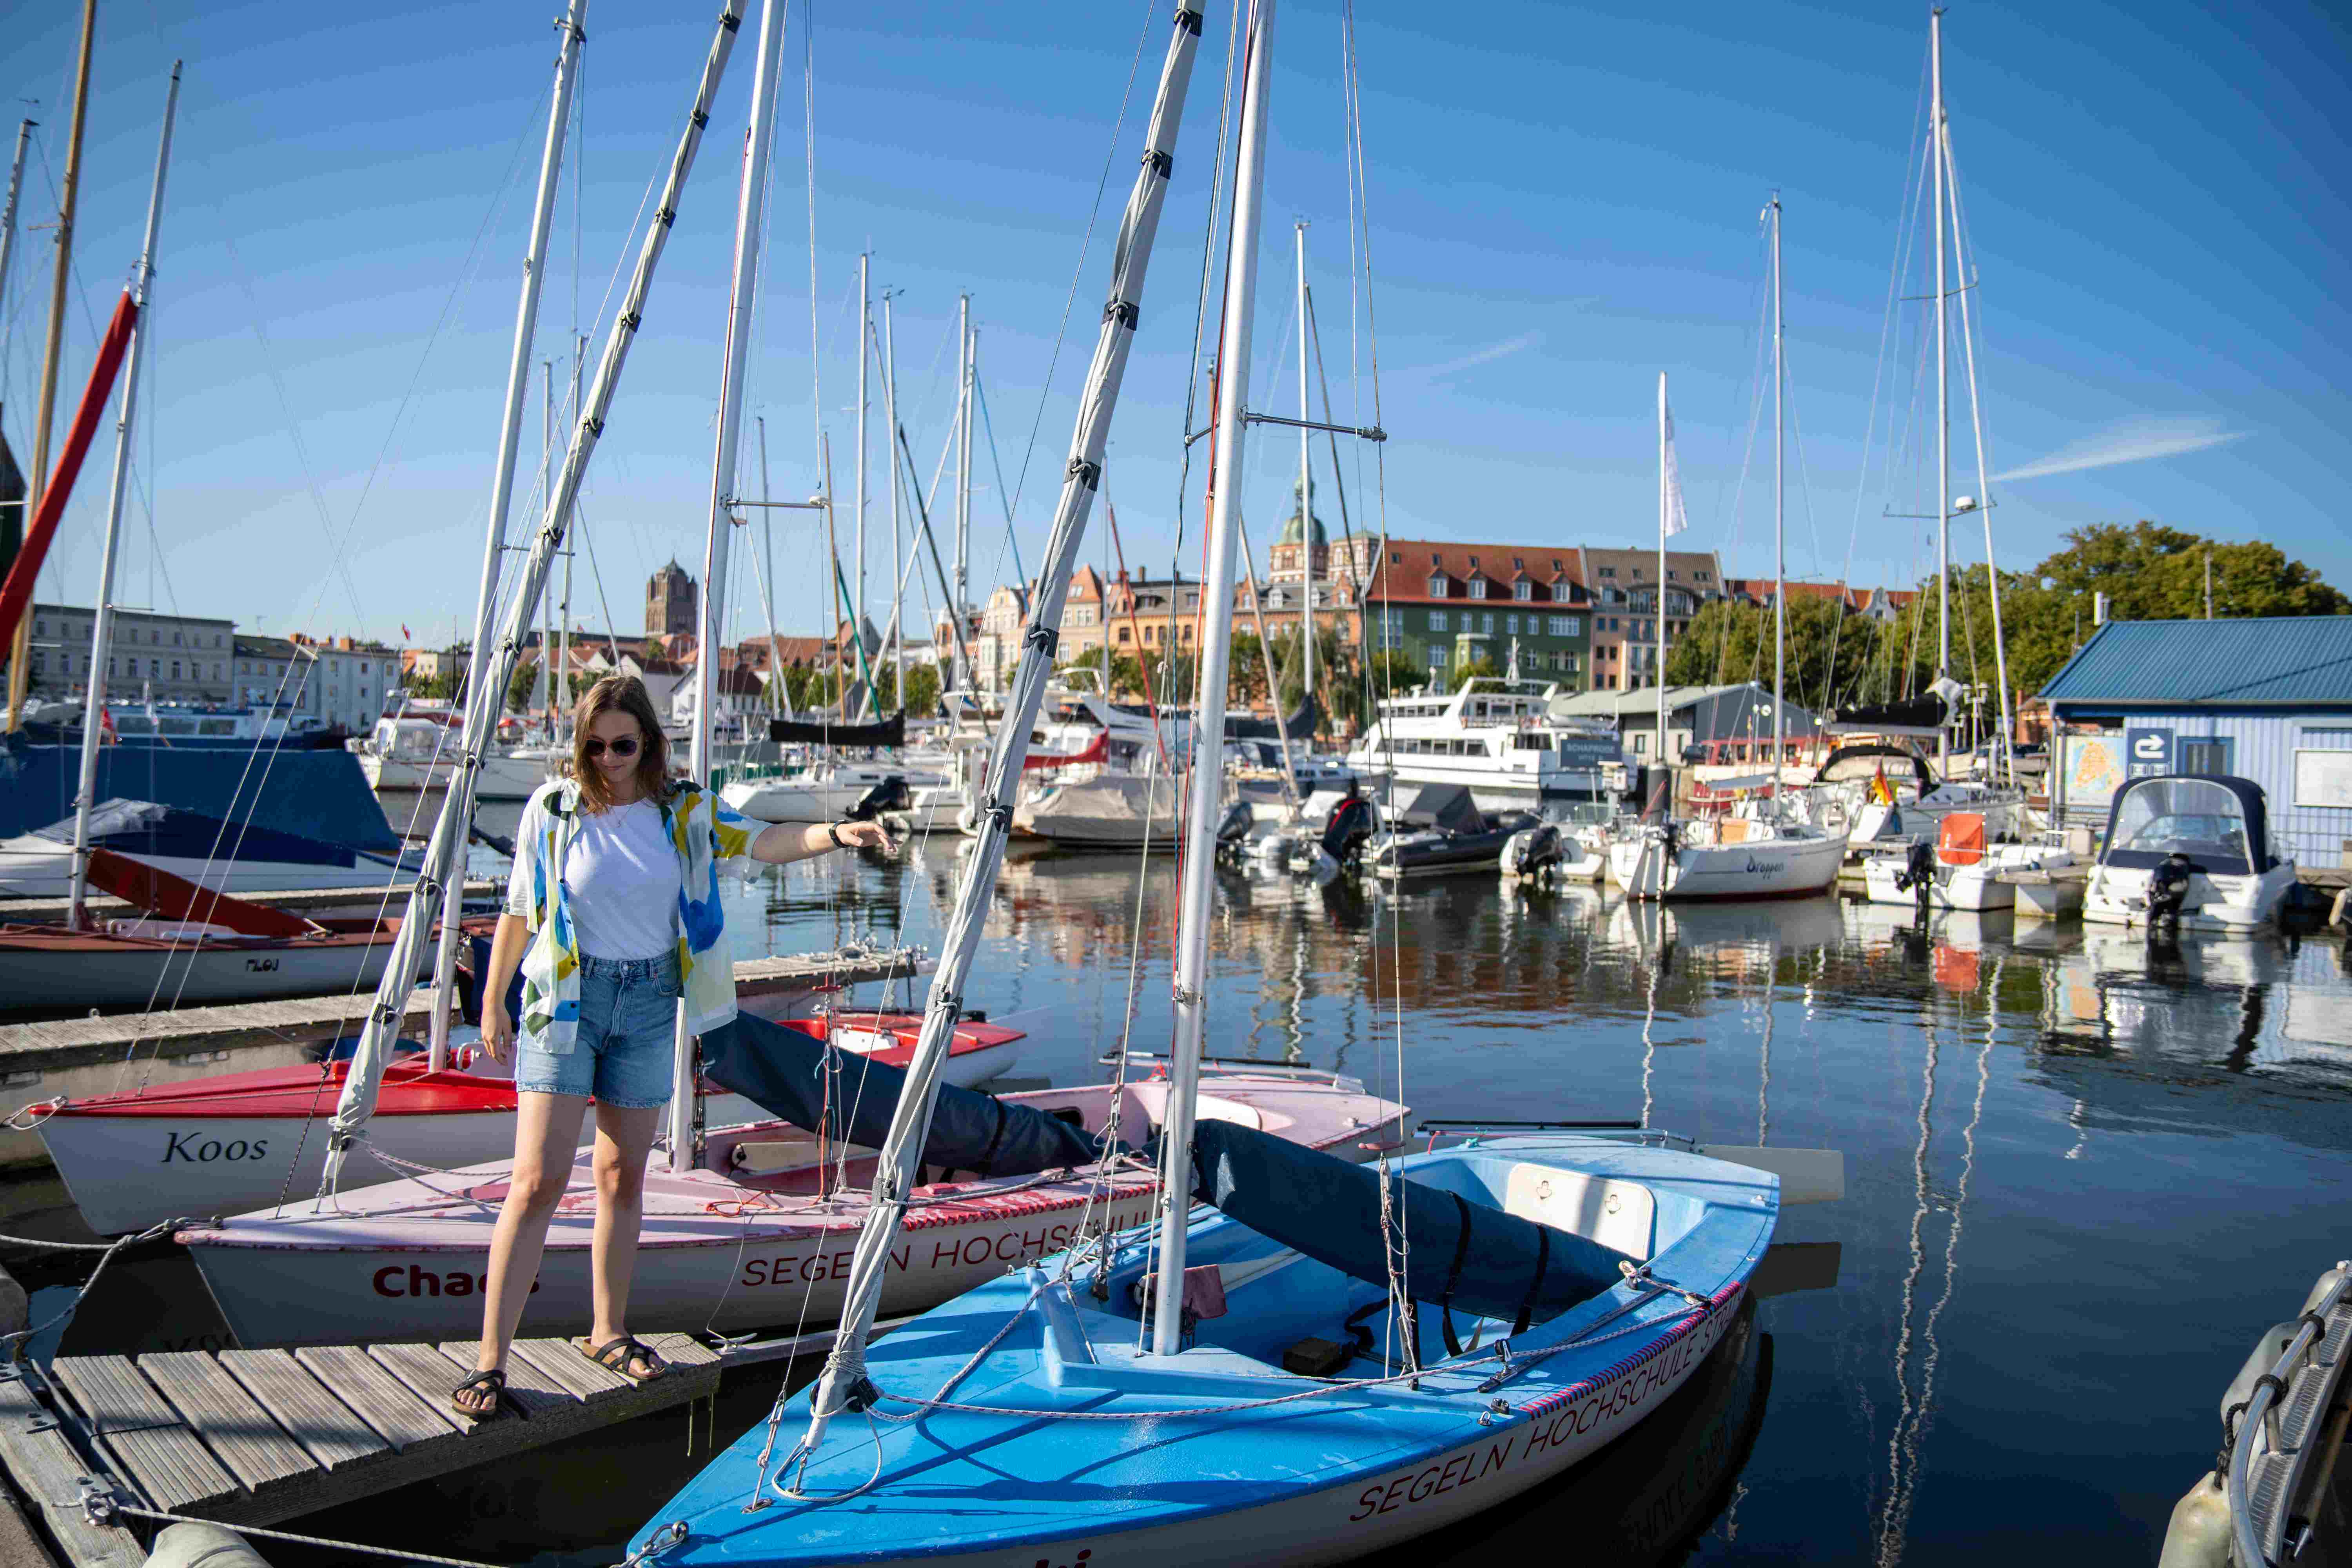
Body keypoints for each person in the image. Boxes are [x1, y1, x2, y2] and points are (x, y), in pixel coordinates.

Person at [452, 674, 891, 1418]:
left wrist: (835, 833)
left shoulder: (682, 809)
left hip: (653, 999)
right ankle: (490, 1360)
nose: (609, 758)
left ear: (648, 741)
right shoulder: (554, 809)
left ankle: (607, 1330)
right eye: (595, 745)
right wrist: (493, 1000)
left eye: (623, 744)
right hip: (565, 1000)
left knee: (623, 1176)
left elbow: (761, 840)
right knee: (537, 1180)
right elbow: (522, 908)